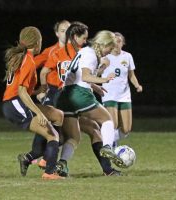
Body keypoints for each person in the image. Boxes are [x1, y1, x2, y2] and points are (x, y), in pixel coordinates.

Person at [41, 23, 121, 176]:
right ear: (105, 44)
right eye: (110, 49)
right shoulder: (90, 54)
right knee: (107, 119)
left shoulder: (85, 52)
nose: (109, 52)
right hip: (79, 94)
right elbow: (84, 76)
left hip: (65, 96)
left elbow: (79, 75)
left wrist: (97, 79)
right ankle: (108, 148)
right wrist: (104, 79)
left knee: (74, 137)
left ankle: (62, 164)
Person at [2, 26, 65, 180]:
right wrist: (38, 113)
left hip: (16, 102)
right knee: (53, 136)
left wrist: (38, 91)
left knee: (58, 115)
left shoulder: (24, 57)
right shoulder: (28, 61)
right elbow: (21, 92)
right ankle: (49, 171)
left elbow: (22, 89)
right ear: (37, 43)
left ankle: (37, 156)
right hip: (15, 105)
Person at [17, 20, 70, 175]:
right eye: (62, 30)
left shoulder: (78, 51)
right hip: (53, 93)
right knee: (51, 133)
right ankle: (48, 163)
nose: (66, 33)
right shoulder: (50, 51)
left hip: (68, 94)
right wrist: (40, 90)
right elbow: (33, 65)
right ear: (56, 33)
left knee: (65, 133)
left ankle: (35, 158)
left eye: (69, 30)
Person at [101, 32, 143, 152]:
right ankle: (109, 146)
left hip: (124, 95)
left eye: (119, 41)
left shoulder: (127, 56)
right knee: (113, 125)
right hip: (109, 94)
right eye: (114, 41)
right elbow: (96, 73)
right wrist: (102, 70)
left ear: (123, 43)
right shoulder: (105, 57)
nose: (116, 44)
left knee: (126, 130)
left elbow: (131, 75)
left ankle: (104, 139)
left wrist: (137, 85)